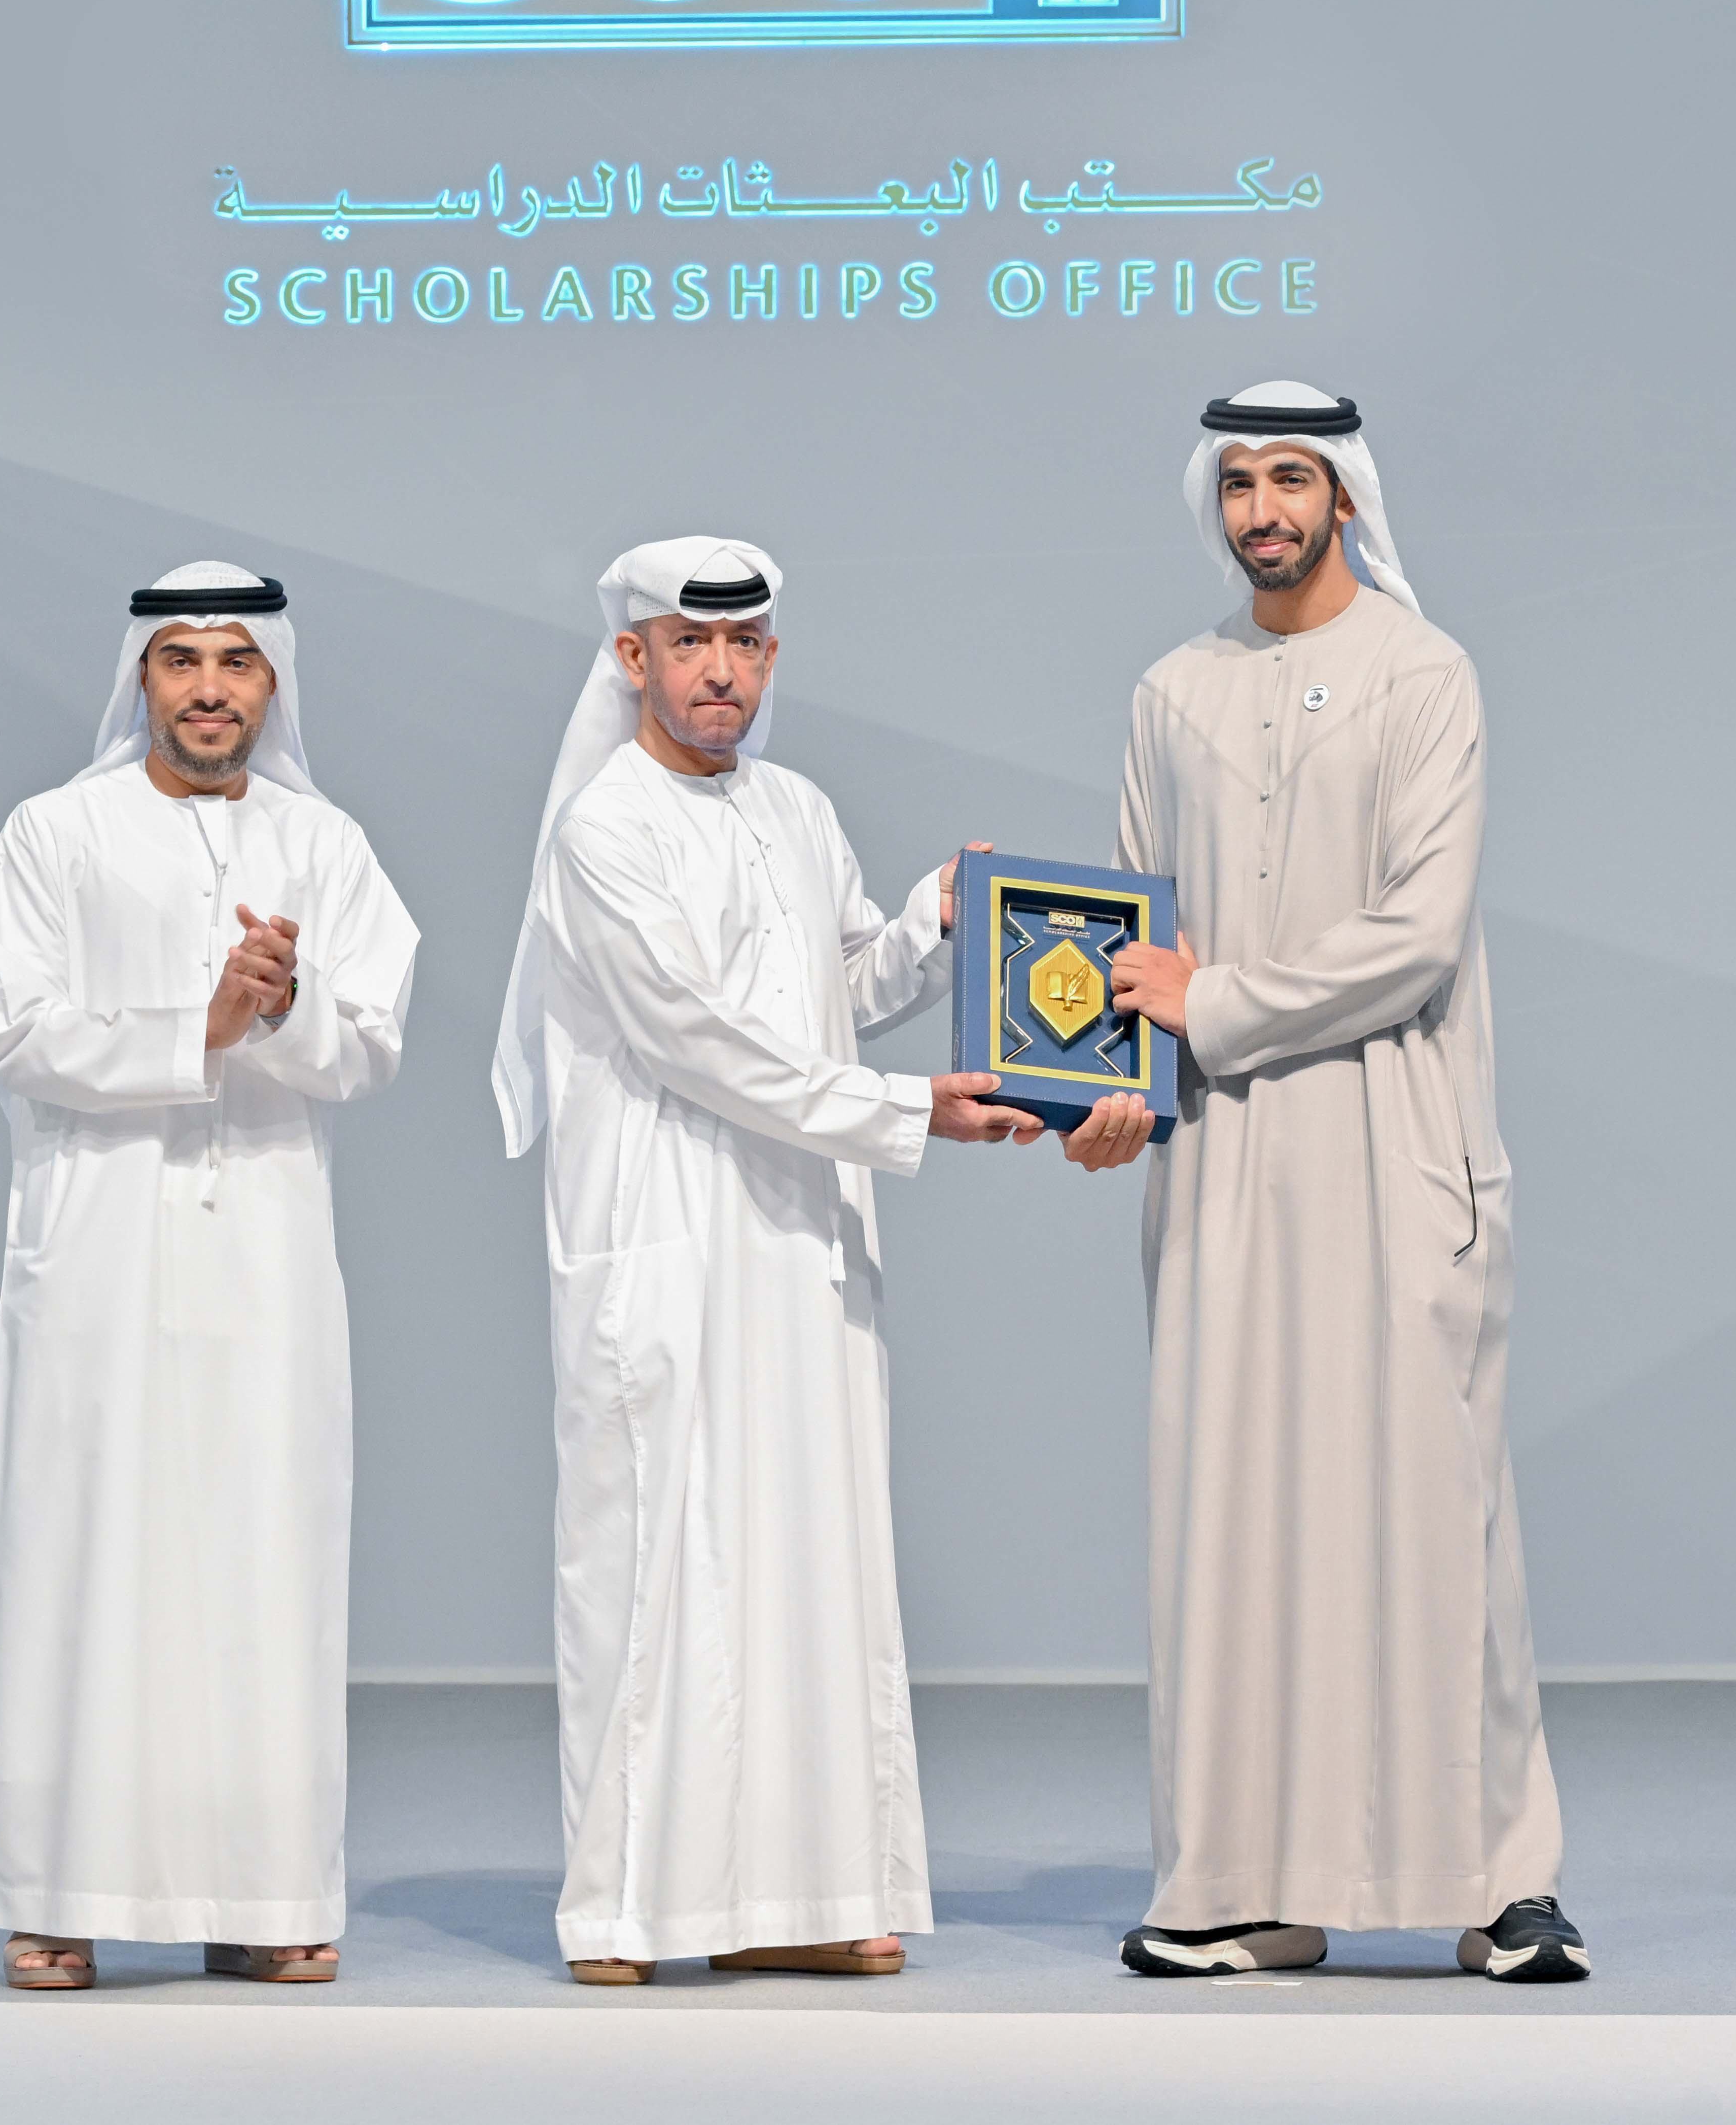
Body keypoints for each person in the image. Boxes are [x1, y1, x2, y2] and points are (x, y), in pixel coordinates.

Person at [1077, 383, 1586, 1984]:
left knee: (1431, 1512)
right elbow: (1132, 933)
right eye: (1237, 482)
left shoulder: (1425, 675)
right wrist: (1106, 1087)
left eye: (1289, 477)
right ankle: (1237, 1883)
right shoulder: (1171, 693)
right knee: (1230, 1514)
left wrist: (1211, 1003)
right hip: (1227, 1162)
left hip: (1393, 1139)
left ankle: (1501, 1883)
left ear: (1343, 495)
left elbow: (1417, 936)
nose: (1262, 510)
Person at [492, 537, 1042, 1984]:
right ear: (634, 658)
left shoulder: (796, 809)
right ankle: (626, 1910)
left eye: (743, 645)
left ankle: (803, 1897)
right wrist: (909, 1111)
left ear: (773, 658)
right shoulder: (601, 829)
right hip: (669, 1240)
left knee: (812, 1556)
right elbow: (695, 1036)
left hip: (802, 1240)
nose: (720, 671)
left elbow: (834, 990)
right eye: (690, 643)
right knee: (657, 1564)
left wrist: (934, 921)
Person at [0, 561, 419, 1991]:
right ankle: (57, 1893)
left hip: (267, 1249)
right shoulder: (54, 832)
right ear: (142, 680)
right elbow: (16, 1030)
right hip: (101, 1247)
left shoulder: (326, 844)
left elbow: (372, 1043)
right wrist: (199, 1024)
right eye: (183, 662)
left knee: (265, 1560)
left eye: (237, 662)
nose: (211, 690)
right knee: (83, 1555)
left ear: (272, 682)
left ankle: (265, 1893)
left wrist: (282, 1009)